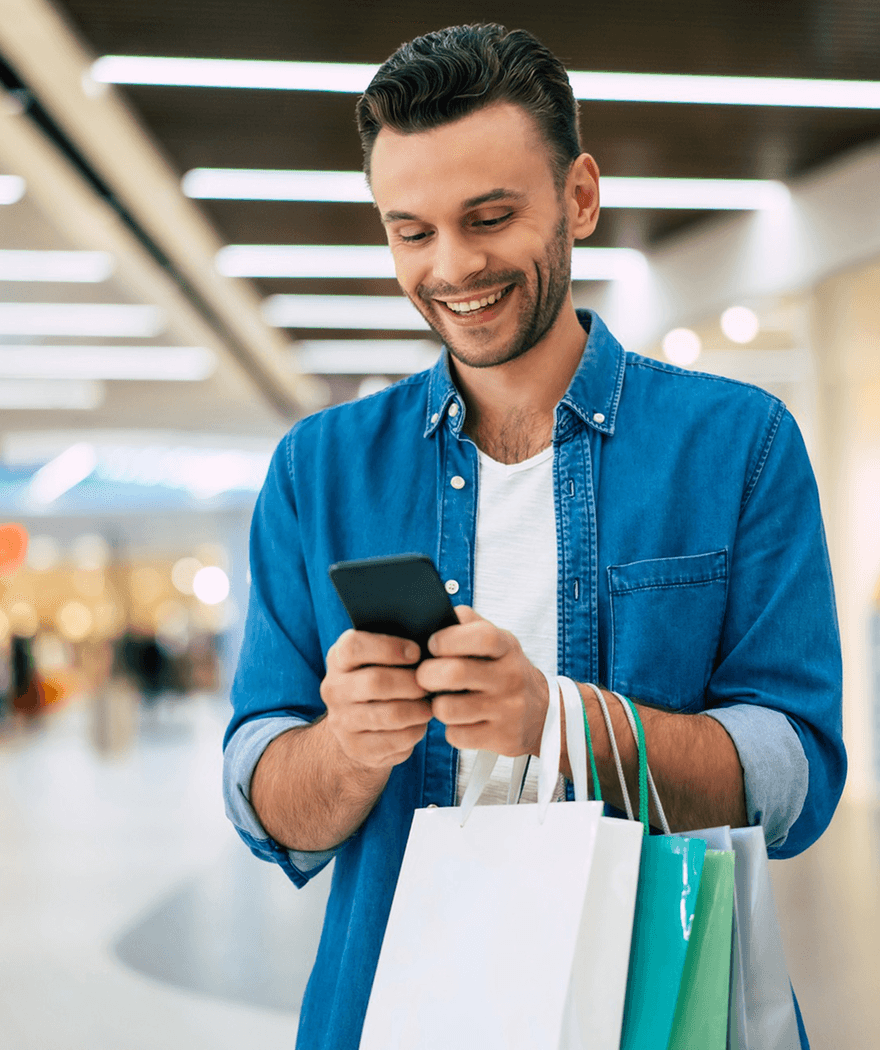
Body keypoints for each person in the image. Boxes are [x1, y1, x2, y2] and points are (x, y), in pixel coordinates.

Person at [223, 24, 845, 1050]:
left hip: (655, 1012)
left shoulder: (738, 446)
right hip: (397, 1010)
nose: (452, 266)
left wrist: (557, 721)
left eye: (489, 217)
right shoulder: (319, 470)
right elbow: (260, 799)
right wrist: (346, 747)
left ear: (580, 199)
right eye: (410, 231)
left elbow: (795, 777)